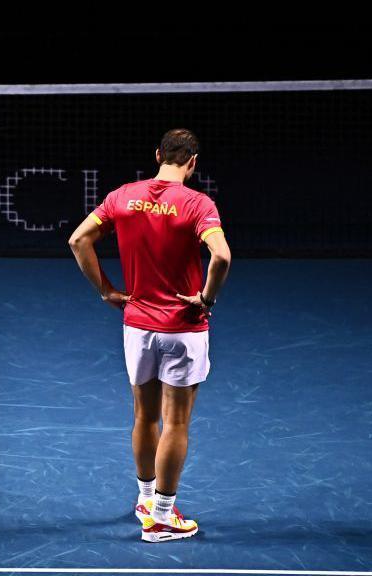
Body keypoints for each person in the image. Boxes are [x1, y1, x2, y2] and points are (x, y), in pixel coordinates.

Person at [67, 128, 232, 542]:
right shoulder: (197, 203)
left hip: (137, 325)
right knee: (176, 422)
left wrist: (106, 288)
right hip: (182, 328)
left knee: (144, 415)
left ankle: (144, 499)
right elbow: (222, 256)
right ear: (192, 163)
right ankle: (160, 516)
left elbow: (78, 239)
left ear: (158, 154)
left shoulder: (123, 195)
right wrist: (206, 299)